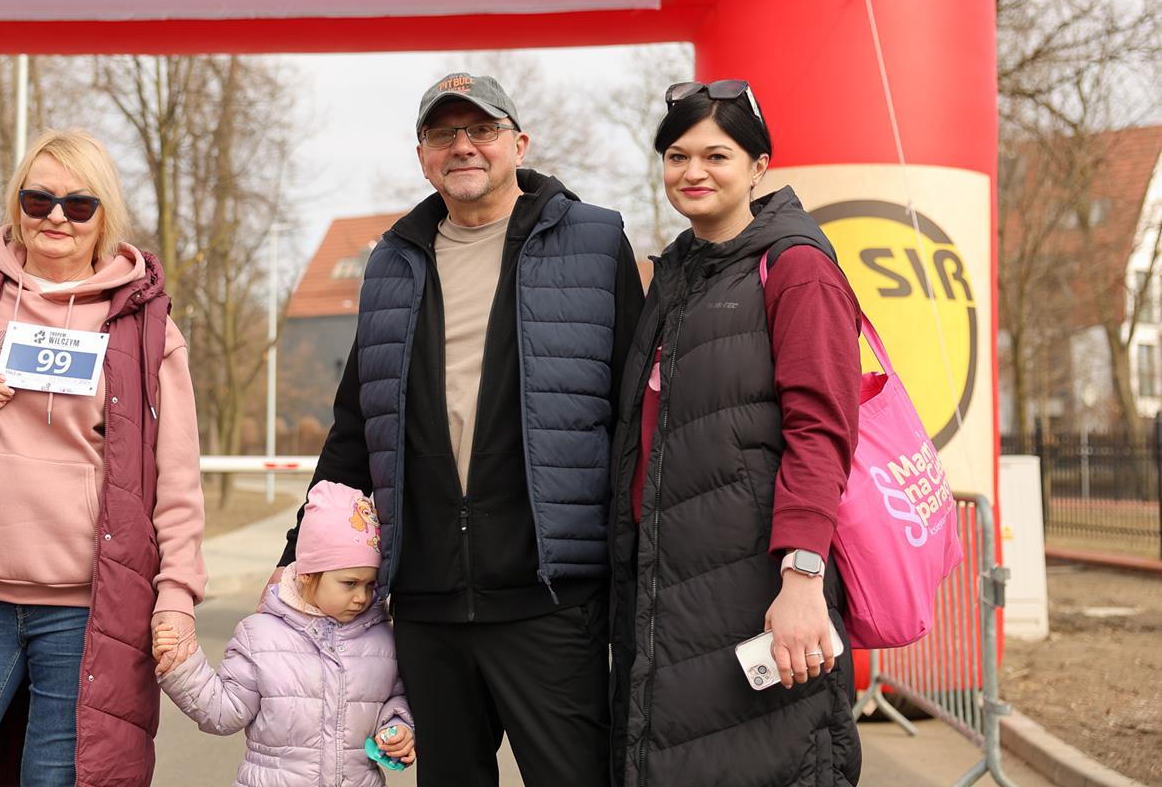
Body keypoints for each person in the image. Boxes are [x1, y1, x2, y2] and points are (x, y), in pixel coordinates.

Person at [267, 73, 644, 786]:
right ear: (422, 156)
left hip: (549, 597)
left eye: (482, 130)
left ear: (518, 144)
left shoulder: (595, 241)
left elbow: (633, 417)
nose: (463, 146)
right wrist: (298, 555)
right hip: (428, 601)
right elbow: (358, 426)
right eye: (444, 134)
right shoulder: (392, 260)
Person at [0, 128, 207, 787]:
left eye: (78, 205)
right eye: (38, 199)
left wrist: (177, 597)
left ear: (104, 215)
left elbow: (178, 485)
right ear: (17, 203)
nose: (56, 217)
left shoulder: (147, 328)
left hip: (90, 615)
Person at [609, 80, 863, 785]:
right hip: (668, 591)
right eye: (677, 156)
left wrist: (802, 577)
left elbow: (821, 429)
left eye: (716, 155)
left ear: (758, 167)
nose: (693, 171)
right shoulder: (675, 278)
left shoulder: (797, 268)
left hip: (761, 587)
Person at [155, 480, 415, 786]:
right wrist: (181, 667)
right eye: (350, 583)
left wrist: (398, 727)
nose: (362, 597)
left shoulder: (381, 639)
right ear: (307, 576)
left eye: (370, 585)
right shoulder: (261, 637)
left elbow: (396, 697)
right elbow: (224, 712)